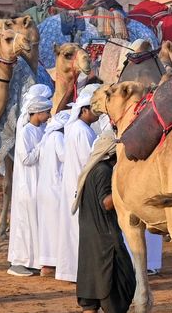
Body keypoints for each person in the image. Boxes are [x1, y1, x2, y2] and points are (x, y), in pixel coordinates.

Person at [72, 128, 136, 313]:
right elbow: (106, 203)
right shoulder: (103, 171)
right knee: (120, 285)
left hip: (90, 239)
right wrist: (128, 187)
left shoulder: (92, 170)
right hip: (106, 239)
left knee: (90, 293)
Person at [55, 85, 102, 283]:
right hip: (81, 185)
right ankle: (78, 272)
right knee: (79, 230)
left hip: (73, 184)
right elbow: (89, 160)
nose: (98, 114)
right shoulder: (82, 131)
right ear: (84, 110)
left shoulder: (75, 128)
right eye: (95, 110)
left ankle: (73, 271)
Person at [7, 85, 53, 277]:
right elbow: (26, 158)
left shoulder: (40, 128)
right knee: (26, 223)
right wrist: (44, 145)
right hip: (27, 184)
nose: (49, 115)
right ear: (37, 112)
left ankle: (34, 260)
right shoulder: (26, 131)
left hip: (38, 182)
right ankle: (20, 261)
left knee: (35, 222)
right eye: (47, 112)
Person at [34, 108, 71, 276]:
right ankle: (54, 263)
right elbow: (64, 156)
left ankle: (46, 264)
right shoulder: (57, 137)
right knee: (56, 227)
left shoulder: (47, 136)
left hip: (45, 187)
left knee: (47, 227)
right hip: (55, 190)